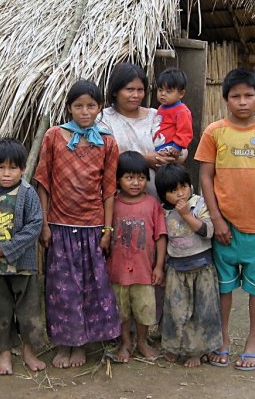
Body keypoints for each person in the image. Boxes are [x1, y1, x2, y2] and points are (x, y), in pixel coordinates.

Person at [195, 68, 255, 371]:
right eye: (235, 96)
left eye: (249, 95)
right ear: (225, 99)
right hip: (225, 230)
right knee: (223, 289)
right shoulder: (214, 132)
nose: (243, 101)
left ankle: (253, 345)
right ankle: (222, 341)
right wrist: (217, 220)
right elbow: (205, 178)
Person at [35, 80, 121, 369]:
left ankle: (82, 344)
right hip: (59, 226)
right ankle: (64, 344)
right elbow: (43, 182)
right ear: (69, 107)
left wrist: (107, 230)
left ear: (100, 108)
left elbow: (109, 189)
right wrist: (45, 223)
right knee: (62, 289)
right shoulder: (54, 137)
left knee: (90, 287)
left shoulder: (107, 141)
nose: (85, 112)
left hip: (93, 228)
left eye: (91, 106)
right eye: (79, 106)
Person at [0, 139, 46, 375]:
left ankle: (28, 352)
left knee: (29, 310)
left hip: (23, 267)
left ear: (23, 169)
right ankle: (4, 356)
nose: (6, 173)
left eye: (13, 168)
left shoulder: (27, 193)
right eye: (1, 167)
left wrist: (8, 248)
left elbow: (35, 225)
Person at [154, 164, 221, 368]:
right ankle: (175, 347)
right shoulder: (163, 212)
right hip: (176, 268)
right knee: (176, 310)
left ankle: (198, 351)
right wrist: (160, 267)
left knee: (202, 311)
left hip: (202, 268)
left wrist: (186, 215)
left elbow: (207, 231)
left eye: (183, 186)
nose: (180, 193)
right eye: (173, 191)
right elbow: (162, 240)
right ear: (164, 195)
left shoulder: (199, 204)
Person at [106, 151, 167, 362]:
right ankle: (125, 342)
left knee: (144, 309)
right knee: (121, 310)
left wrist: (159, 266)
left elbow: (160, 236)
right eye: (129, 177)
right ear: (118, 179)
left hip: (144, 270)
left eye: (141, 178)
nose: (135, 183)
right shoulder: (112, 203)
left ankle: (142, 341)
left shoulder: (152, 204)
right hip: (117, 270)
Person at [97, 63, 182, 198]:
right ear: (115, 91)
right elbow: (101, 157)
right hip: (119, 200)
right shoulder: (103, 120)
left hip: (158, 199)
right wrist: (144, 159)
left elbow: (179, 146)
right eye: (129, 89)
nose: (136, 95)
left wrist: (173, 155)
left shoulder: (156, 116)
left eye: (140, 90)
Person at [152, 67, 193, 161]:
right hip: (159, 146)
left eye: (168, 91)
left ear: (181, 94)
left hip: (171, 147)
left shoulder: (182, 111)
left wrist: (178, 146)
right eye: (160, 90)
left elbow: (185, 131)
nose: (163, 94)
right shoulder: (161, 107)